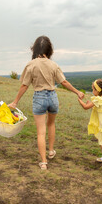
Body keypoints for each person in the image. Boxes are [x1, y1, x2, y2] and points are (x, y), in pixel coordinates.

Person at [8, 36, 84, 170]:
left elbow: (24, 85)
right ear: (49, 50)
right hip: (53, 97)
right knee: (51, 124)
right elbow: (63, 82)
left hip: (39, 98)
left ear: (35, 49)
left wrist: (15, 102)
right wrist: (77, 92)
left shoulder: (31, 65)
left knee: (40, 132)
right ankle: (51, 151)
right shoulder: (53, 64)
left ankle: (43, 162)